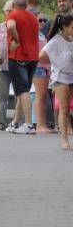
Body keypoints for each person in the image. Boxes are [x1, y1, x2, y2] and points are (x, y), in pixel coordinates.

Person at [6, 0, 40, 135]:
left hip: (18, 57)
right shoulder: (33, 17)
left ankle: (28, 124)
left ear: (13, 5)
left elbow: (11, 26)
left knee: (23, 91)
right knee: (23, 90)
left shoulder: (13, 14)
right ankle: (15, 123)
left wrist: (16, 39)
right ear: (26, 5)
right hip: (33, 57)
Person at [39, 14, 73, 149]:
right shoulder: (56, 41)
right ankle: (65, 140)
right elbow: (41, 56)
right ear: (64, 27)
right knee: (64, 108)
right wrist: (55, 63)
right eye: (72, 27)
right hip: (61, 77)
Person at [0, 0, 14, 130]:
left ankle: (17, 121)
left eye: (11, 10)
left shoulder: (19, 26)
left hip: (17, 65)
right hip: (2, 67)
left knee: (20, 95)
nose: (9, 13)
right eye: (7, 10)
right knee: (2, 95)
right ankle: (1, 122)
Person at [33, 19, 54, 133]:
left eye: (44, 20)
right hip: (39, 66)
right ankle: (40, 125)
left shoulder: (42, 35)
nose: (42, 22)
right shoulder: (34, 34)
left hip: (46, 67)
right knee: (40, 95)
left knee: (44, 96)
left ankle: (42, 123)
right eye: (39, 20)